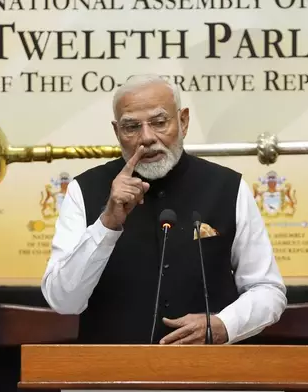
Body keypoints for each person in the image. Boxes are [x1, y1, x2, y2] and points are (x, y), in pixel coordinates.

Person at [41, 74, 287, 345]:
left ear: (183, 121)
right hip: (113, 376)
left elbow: (267, 290)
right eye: (131, 127)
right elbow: (63, 301)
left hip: (208, 375)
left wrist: (223, 325)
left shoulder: (229, 187)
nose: (146, 138)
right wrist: (107, 222)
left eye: (159, 123)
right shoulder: (83, 190)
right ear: (117, 132)